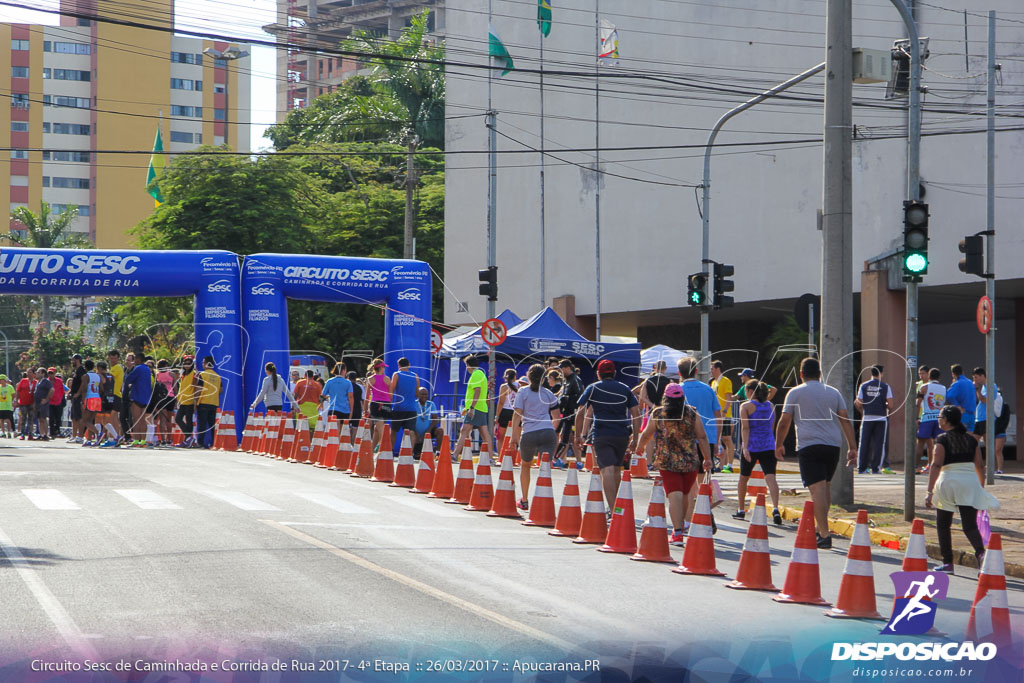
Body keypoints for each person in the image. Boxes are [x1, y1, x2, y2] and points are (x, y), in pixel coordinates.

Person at [775, 357, 857, 549]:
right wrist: (853, 447)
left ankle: (825, 534)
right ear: (820, 374)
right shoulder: (833, 392)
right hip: (832, 445)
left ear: (801, 374)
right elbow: (845, 420)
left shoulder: (795, 393)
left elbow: (784, 421)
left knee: (817, 489)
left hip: (809, 445)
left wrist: (778, 444)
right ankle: (821, 529)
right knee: (825, 487)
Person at [925, 405, 1000, 574]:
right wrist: (980, 487)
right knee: (970, 525)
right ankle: (981, 555)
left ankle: (948, 563)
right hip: (969, 482)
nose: (938, 419)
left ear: (945, 420)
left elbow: (936, 465)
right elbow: (980, 466)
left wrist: (930, 492)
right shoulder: (972, 440)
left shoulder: (941, 440)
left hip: (948, 482)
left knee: (943, 524)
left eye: (939, 416)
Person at [637, 382, 712, 545]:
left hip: (667, 461)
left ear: (665, 398)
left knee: (674, 495)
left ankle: (677, 532)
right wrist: (707, 458)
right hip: (690, 462)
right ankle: (681, 527)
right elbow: (702, 437)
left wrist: (639, 448)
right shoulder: (692, 413)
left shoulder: (658, 413)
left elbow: (646, 434)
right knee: (685, 494)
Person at [575, 359, 641, 511]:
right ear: (615, 373)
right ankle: (618, 507)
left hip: (602, 433)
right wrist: (636, 437)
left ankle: (614, 510)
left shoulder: (593, 388)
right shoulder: (624, 389)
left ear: (598, 374)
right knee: (616, 469)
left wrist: (578, 435)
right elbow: (635, 413)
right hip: (621, 434)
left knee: (607, 470)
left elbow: (580, 412)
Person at [510, 364, 560, 510]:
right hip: (547, 432)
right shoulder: (548, 394)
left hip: (529, 432)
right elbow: (556, 417)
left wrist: (514, 436)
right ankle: (543, 501)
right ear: (544, 378)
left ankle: (524, 500)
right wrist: (551, 429)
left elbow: (517, 415)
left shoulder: (523, 392)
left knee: (525, 465)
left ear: (529, 376)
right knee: (545, 467)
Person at [734, 380, 783, 525]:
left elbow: (745, 428)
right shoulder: (770, 406)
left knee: (744, 478)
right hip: (768, 445)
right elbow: (771, 426)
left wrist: (744, 447)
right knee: (771, 477)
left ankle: (741, 509)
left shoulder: (746, 406)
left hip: (752, 446)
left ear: (750, 391)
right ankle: (775, 508)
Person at [677, 357, 722, 474]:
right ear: (696, 371)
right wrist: (717, 441)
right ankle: (703, 492)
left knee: (687, 474)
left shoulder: (678, 390)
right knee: (704, 471)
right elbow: (718, 416)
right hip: (708, 437)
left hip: (685, 437)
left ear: (679, 373)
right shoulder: (708, 389)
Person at [854, 365, 894, 475]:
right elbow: (890, 405)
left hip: (867, 418)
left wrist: (863, 411)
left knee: (864, 443)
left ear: (871, 373)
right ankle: (876, 468)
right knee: (879, 444)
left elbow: (858, 402)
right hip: (881, 418)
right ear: (881, 373)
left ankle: (862, 468)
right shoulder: (885, 386)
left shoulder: (864, 385)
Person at [454, 355, 491, 462]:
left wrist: (471, 408)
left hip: (476, 408)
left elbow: (477, 391)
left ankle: (455, 454)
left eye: (466, 366)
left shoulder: (475, 375)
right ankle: (490, 457)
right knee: (484, 433)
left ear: (468, 366)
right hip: (481, 408)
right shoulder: (481, 374)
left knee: (464, 430)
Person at [972, 366, 1009, 475]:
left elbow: (984, 400)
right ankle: (978, 466)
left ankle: (991, 467)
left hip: (986, 419)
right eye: (974, 378)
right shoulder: (983, 387)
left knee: (990, 447)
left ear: (982, 376)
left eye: (976, 377)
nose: (975, 380)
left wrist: (977, 389)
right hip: (979, 419)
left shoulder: (991, 386)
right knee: (973, 443)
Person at [554, 359, 585, 467]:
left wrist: (567, 400)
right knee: (565, 436)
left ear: (567, 368)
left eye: (562, 369)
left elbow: (581, 395)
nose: (561, 371)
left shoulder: (575, 379)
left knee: (569, 437)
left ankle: (577, 461)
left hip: (574, 413)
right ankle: (560, 459)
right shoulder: (566, 380)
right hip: (567, 412)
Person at [916, 368, 946, 474]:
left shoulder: (924, 387)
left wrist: (916, 418)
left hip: (927, 417)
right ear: (939, 377)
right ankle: (933, 466)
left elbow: (918, 403)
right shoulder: (943, 388)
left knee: (920, 442)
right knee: (936, 444)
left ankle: (915, 466)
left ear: (929, 376)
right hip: (939, 419)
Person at [388, 357, 420, 453]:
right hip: (411, 408)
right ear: (409, 365)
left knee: (393, 430)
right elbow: (417, 393)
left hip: (398, 408)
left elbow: (392, 390)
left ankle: (390, 451)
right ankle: (408, 452)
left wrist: (390, 403)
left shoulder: (396, 374)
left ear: (399, 366)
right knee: (410, 431)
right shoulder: (415, 376)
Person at [710, 360, 737, 473]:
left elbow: (728, 397)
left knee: (727, 438)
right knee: (719, 440)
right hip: (716, 415)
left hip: (724, 415)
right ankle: (722, 465)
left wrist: (725, 411)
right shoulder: (713, 382)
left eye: (712, 368)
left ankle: (730, 465)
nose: (710, 371)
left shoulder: (725, 381)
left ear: (718, 369)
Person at [124, 353, 153, 446]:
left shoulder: (138, 368)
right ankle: (143, 441)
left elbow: (129, 379)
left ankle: (136, 440)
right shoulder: (147, 369)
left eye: (135, 359)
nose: (134, 361)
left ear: (139, 359)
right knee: (143, 420)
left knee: (135, 419)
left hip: (136, 396)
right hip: (146, 397)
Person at [194, 356, 221, 449]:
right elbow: (220, 390)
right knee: (212, 424)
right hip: (214, 403)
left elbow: (199, 389)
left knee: (202, 424)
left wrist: (195, 402)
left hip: (204, 402)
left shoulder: (203, 375)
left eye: (203, 362)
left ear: (206, 364)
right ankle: (214, 443)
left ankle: (200, 443)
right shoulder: (218, 376)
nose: (202, 364)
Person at [365, 358, 391, 452]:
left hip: (375, 404)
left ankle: (381, 446)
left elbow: (367, 396)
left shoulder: (370, 379)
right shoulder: (387, 379)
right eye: (384, 367)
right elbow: (390, 394)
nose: (384, 368)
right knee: (379, 427)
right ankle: (374, 449)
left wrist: (365, 409)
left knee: (379, 427)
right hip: (386, 404)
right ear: (381, 368)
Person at [321, 362, 355, 428]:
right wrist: (351, 411)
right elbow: (350, 397)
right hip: (345, 410)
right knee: (343, 431)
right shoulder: (348, 383)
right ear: (343, 370)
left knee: (334, 430)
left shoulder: (329, 381)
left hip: (333, 409)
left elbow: (322, 395)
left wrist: (320, 405)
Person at [174, 356, 199, 447]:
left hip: (190, 401)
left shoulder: (194, 373)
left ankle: (188, 438)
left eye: (189, 363)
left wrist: (195, 401)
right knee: (178, 419)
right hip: (183, 401)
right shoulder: (183, 375)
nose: (186, 365)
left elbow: (195, 387)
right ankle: (188, 437)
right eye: (185, 363)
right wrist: (178, 399)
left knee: (188, 421)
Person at [945, 364, 977, 433]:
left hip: (962, 415)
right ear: (963, 372)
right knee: (969, 440)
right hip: (972, 415)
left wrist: (957, 406)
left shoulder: (957, 383)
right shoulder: (970, 382)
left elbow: (949, 396)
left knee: (959, 440)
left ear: (953, 374)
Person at [412, 386, 443, 458]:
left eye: (426, 394)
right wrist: (416, 433)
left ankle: (438, 452)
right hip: (416, 431)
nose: (424, 396)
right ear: (418, 395)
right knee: (418, 456)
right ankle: (412, 452)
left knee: (440, 430)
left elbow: (435, 419)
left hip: (428, 430)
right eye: (422, 394)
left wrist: (428, 430)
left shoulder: (431, 404)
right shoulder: (414, 404)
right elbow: (410, 420)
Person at [154, 359, 176, 445]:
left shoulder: (157, 375)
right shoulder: (172, 374)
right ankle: (169, 439)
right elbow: (175, 387)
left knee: (162, 419)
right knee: (169, 419)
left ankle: (163, 439)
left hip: (161, 398)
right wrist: (176, 398)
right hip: (171, 397)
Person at [495, 368, 518, 445]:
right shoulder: (520, 386)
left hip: (505, 412)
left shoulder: (504, 387)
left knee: (501, 437)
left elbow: (501, 402)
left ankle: (500, 455)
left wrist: (497, 416)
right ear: (515, 376)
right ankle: (514, 455)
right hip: (516, 412)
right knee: (515, 436)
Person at [107, 350, 126, 440]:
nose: (113, 360)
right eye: (111, 358)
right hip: (116, 395)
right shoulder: (115, 367)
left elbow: (109, 378)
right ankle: (116, 437)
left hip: (115, 394)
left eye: (115, 358)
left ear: (118, 359)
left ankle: (114, 438)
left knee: (112, 417)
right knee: (114, 418)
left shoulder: (117, 367)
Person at [68, 353, 86, 443]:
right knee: (74, 417)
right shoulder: (76, 371)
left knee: (79, 417)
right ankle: (74, 435)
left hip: (78, 397)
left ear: (77, 360)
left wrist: (78, 393)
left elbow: (84, 382)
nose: (72, 362)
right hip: (74, 396)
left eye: (73, 360)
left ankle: (80, 436)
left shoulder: (81, 370)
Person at [33, 367, 53, 442]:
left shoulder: (46, 381)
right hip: (37, 403)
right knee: (39, 419)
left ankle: (46, 434)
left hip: (43, 403)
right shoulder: (38, 382)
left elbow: (52, 390)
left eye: (38, 372)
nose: (37, 374)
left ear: (43, 374)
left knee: (43, 418)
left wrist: (46, 399)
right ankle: (41, 434)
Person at [16, 371, 35, 439]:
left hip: (31, 403)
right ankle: (22, 434)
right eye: (28, 372)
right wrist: (17, 400)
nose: (28, 374)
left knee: (31, 419)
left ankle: (30, 434)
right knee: (23, 418)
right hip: (23, 403)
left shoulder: (36, 382)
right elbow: (18, 390)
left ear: (34, 374)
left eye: (30, 372)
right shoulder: (23, 381)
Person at [48, 368, 65, 438]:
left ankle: (57, 430)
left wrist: (60, 398)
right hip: (50, 402)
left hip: (58, 402)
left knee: (58, 417)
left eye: (52, 373)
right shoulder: (46, 381)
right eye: (49, 373)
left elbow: (62, 391)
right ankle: (52, 432)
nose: (50, 375)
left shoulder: (59, 381)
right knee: (51, 418)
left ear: (54, 374)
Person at [347, 370, 363, 444]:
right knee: (355, 427)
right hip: (357, 408)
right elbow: (362, 400)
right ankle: (353, 441)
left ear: (348, 377)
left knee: (345, 424)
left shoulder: (346, 386)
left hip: (348, 408)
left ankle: (346, 440)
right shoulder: (360, 387)